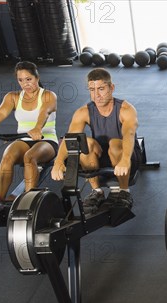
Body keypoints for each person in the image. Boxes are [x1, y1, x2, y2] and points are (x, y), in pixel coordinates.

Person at [51, 68, 141, 213]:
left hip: (127, 156)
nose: (96, 95)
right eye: (92, 90)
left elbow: (129, 134)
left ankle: (124, 191)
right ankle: (97, 192)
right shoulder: (83, 112)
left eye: (101, 89)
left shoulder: (126, 109)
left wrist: (125, 160)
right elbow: (71, 138)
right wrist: (58, 162)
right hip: (101, 157)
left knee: (114, 143)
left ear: (111, 88)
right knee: (85, 142)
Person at [0, 61, 58, 208]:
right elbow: (0, 112)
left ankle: (28, 200)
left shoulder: (48, 95)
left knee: (30, 157)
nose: (25, 84)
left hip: (47, 140)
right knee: (7, 156)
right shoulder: (13, 97)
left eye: (29, 79)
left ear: (37, 78)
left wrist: (38, 128)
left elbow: (44, 112)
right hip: (23, 139)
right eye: (21, 80)